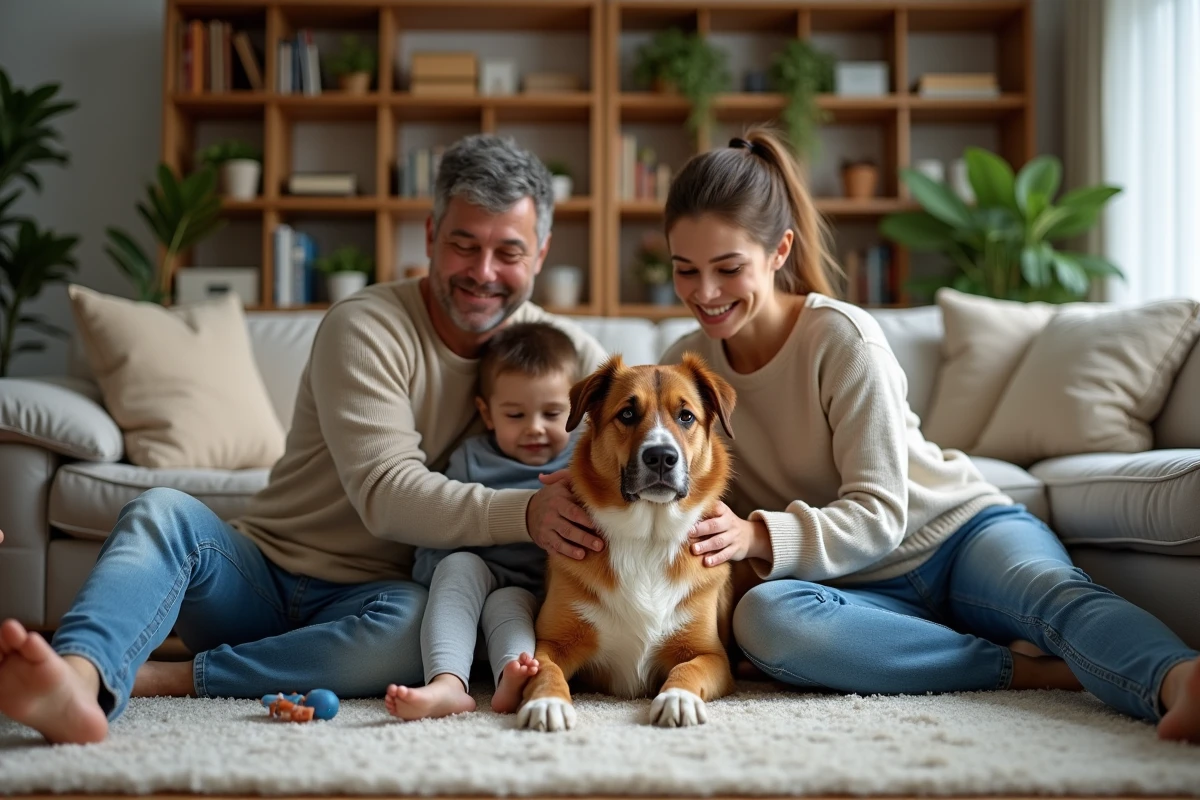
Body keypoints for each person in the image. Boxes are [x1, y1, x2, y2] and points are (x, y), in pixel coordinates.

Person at [0, 134, 608, 745]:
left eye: (509, 251)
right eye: (463, 244)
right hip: (260, 575)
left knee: (420, 626)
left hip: (378, 604)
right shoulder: (367, 326)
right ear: (429, 236)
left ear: (541, 253)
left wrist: (709, 517)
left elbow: (648, 440)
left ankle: (171, 677)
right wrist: (527, 512)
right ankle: (77, 678)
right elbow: (385, 492)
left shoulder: (565, 359)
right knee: (161, 512)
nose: (483, 272)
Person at [659, 127, 1200, 743]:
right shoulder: (683, 370)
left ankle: (1180, 681)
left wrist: (757, 533)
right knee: (768, 620)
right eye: (685, 270)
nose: (705, 292)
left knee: (1053, 595)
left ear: (779, 251)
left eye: (729, 268)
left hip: (958, 532)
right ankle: (1025, 672)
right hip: (850, 590)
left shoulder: (841, 337)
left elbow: (881, 513)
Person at [384, 321, 579, 721]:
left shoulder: (583, 458)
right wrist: (437, 576)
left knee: (510, 604)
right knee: (458, 565)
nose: (535, 428)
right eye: (515, 414)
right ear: (486, 414)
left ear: (577, 411)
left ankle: (514, 675)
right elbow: (435, 531)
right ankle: (447, 684)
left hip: (540, 592)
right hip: (476, 576)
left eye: (553, 413)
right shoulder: (472, 458)